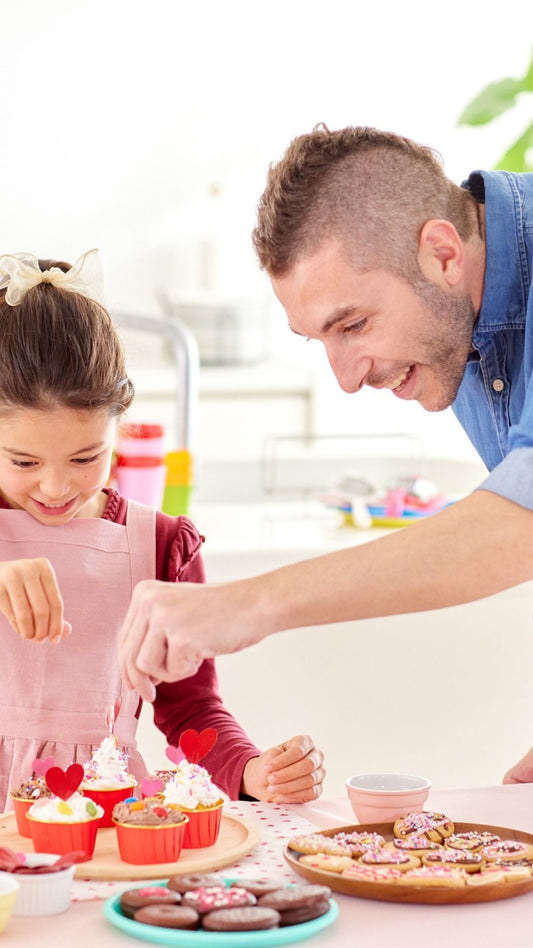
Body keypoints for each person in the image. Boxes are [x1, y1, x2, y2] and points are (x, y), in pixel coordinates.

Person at [117, 125, 533, 783]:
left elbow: (521, 524)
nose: (345, 377)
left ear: (442, 254)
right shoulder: (454, 326)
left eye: (353, 325)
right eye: (319, 340)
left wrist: (245, 605)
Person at [0, 249, 325, 812]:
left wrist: (249, 769)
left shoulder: (161, 547)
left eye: (85, 458)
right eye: (24, 462)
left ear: (120, 428)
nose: (55, 488)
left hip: (102, 814)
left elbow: (191, 710)